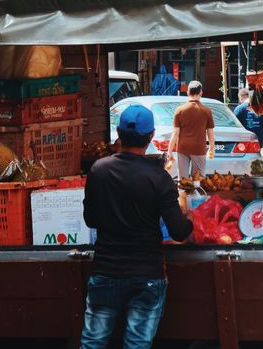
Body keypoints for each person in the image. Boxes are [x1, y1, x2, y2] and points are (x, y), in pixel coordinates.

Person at [81, 104, 193, 349]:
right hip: (146, 275)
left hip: (105, 271)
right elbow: (179, 231)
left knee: (92, 343)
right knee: (137, 345)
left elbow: (91, 219)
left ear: (119, 135)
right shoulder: (159, 178)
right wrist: (189, 216)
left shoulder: (99, 170)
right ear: (151, 136)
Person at [168, 80, 215, 179]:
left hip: (182, 147)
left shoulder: (180, 110)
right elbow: (210, 132)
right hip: (199, 148)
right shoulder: (207, 111)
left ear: (188, 92)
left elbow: (175, 132)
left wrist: (170, 150)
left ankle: (183, 194)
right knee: (198, 179)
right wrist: (211, 148)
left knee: (183, 179)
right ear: (201, 93)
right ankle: (197, 194)